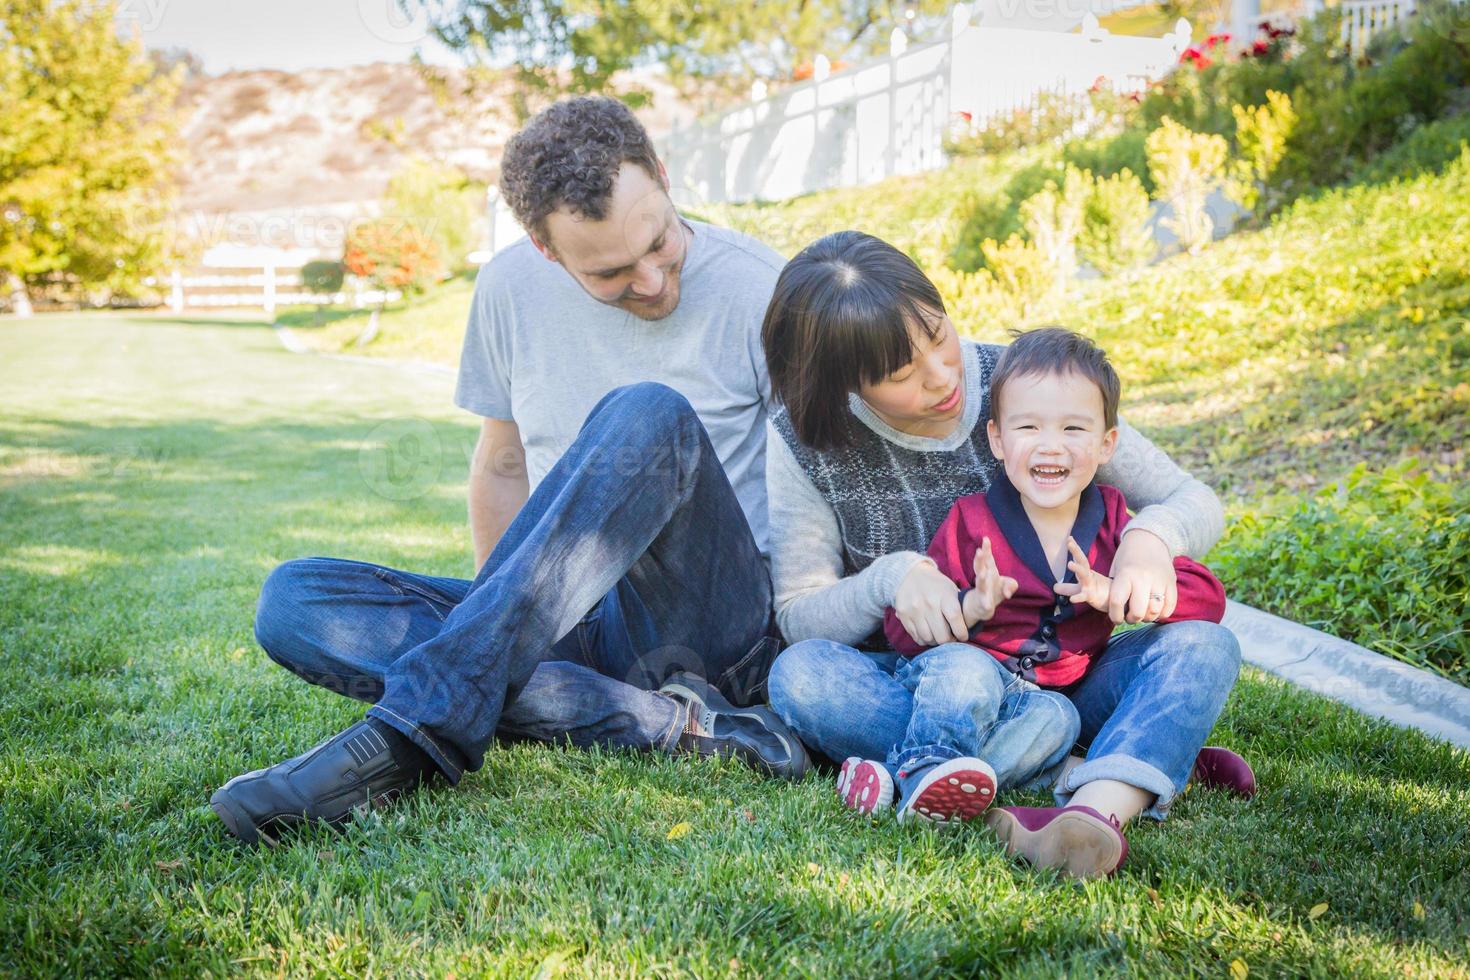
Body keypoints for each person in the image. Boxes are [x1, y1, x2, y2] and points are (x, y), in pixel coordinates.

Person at [210, 97, 809, 847]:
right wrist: (501, 631)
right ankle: (676, 727)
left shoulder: (766, 288)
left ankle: (407, 738)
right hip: (570, 612)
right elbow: (502, 464)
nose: (652, 280)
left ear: (661, 174)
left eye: (659, 241)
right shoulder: (506, 291)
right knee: (295, 602)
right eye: (612, 271)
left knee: (649, 415)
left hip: (711, 625)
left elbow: (822, 481)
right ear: (545, 249)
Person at [761, 231, 1251, 879]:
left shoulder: (1027, 383)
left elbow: (1191, 498)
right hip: (939, 680)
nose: (943, 377)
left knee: (1203, 646)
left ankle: (1054, 779)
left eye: (937, 335)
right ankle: (1098, 758)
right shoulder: (804, 445)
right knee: (800, 676)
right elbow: (800, 615)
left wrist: (1148, 540)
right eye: (901, 374)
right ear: (844, 386)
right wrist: (891, 578)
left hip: (1079, 674)